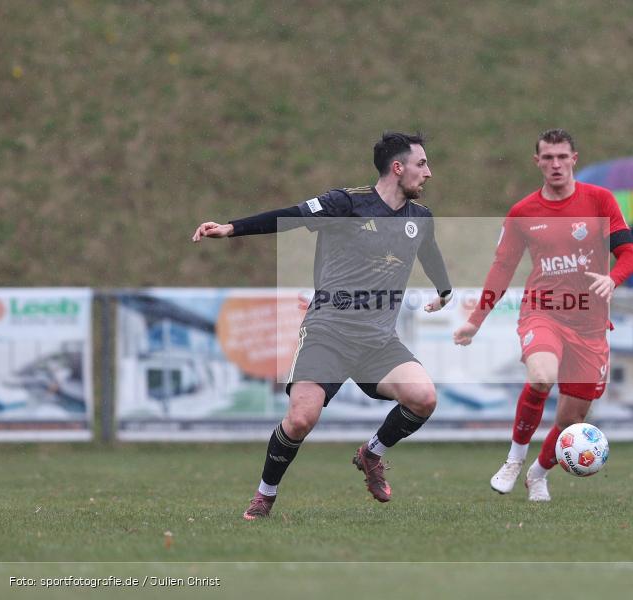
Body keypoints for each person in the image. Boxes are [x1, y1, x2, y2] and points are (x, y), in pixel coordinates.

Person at [192, 132, 453, 519]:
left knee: (424, 398)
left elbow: (428, 252)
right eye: (422, 164)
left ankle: (371, 454)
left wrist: (444, 290)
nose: (428, 173)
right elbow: (290, 217)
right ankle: (265, 494)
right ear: (397, 168)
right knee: (300, 419)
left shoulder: (420, 218)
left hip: (378, 342)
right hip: (328, 334)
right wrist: (232, 228)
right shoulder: (345, 204)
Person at [452, 129, 633, 502]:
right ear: (537, 161)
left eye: (562, 157)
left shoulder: (600, 201)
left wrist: (613, 279)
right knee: (541, 377)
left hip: (591, 324)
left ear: (574, 159)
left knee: (571, 422)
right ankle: (513, 460)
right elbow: (501, 268)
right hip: (543, 313)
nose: (555, 164)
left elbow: (629, 255)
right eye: (548, 157)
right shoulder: (523, 212)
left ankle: (537, 474)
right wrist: (476, 320)